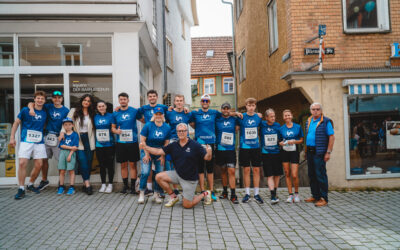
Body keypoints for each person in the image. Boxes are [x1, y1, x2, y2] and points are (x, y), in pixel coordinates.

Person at [142, 123, 213, 208]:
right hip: (178, 175)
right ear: (177, 132)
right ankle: (173, 197)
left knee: (187, 205)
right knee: (158, 177)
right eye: (179, 131)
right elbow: (158, 151)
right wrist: (145, 147)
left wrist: (209, 153)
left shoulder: (195, 145)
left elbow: (207, 158)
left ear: (187, 132)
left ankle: (205, 193)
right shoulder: (173, 145)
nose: (181, 133)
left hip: (189, 179)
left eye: (183, 131)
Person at [28, 91, 69, 191]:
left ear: (62, 99)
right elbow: (31, 103)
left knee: (60, 161)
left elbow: (67, 124)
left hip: (58, 138)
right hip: (46, 137)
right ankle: (44, 180)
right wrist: (31, 109)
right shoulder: (48, 107)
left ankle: (61, 182)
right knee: (44, 160)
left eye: (59, 97)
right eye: (55, 97)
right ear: (52, 99)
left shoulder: (66, 110)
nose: (57, 99)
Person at [10, 91, 47, 199]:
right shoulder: (25, 110)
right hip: (26, 140)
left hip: (39, 141)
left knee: (39, 164)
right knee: (22, 163)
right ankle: (21, 188)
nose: (40, 100)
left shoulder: (45, 111)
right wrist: (12, 137)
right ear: (34, 99)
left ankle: (30, 184)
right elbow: (16, 123)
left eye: (42, 99)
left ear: (44, 101)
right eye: (38, 98)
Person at [189, 94, 222, 203]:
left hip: (211, 143)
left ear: (209, 102)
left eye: (207, 101)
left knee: (210, 168)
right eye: (203, 101)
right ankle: (203, 191)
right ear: (200, 102)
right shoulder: (195, 112)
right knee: (200, 168)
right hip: (199, 144)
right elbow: (187, 117)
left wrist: (236, 113)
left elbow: (226, 114)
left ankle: (211, 191)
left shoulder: (214, 112)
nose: (205, 103)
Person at [62, 94, 96, 195]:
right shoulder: (74, 111)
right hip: (78, 139)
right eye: (85, 100)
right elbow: (66, 123)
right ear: (81, 101)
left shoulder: (93, 112)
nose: (86, 102)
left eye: (89, 101)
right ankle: (87, 184)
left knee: (89, 162)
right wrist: (62, 132)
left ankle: (85, 184)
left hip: (89, 139)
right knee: (82, 161)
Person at [304, 102, 335, 207]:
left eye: (317, 109)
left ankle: (323, 198)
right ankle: (315, 196)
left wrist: (328, 152)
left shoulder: (326, 122)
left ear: (321, 110)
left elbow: (331, 137)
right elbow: (308, 136)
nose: (315, 111)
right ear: (310, 111)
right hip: (310, 151)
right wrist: (306, 151)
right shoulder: (308, 121)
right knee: (312, 175)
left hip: (320, 152)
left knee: (320, 175)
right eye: (313, 109)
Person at [138, 107, 171, 204]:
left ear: (163, 115)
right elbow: (142, 140)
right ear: (154, 115)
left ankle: (156, 194)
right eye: (157, 114)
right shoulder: (148, 125)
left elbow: (166, 143)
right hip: (147, 150)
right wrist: (147, 154)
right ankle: (142, 193)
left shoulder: (167, 127)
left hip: (159, 152)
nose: (158, 116)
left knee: (159, 174)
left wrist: (162, 156)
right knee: (145, 172)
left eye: (160, 114)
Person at [112, 92, 141, 195]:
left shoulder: (134, 111)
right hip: (121, 143)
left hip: (132, 142)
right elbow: (113, 128)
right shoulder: (115, 113)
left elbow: (144, 120)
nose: (123, 101)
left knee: (133, 165)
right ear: (119, 101)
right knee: (123, 165)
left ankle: (133, 187)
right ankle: (125, 186)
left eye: (124, 99)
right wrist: (116, 131)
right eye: (121, 99)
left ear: (128, 100)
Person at [238, 97, 263, 204]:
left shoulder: (258, 117)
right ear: (246, 106)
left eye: (253, 105)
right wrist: (235, 112)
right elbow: (228, 114)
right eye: (249, 105)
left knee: (257, 170)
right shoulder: (241, 116)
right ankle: (247, 193)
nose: (251, 107)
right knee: (246, 170)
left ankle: (256, 194)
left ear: (255, 106)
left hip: (255, 147)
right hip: (245, 147)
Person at [165, 94, 192, 195]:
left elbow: (195, 120)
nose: (179, 102)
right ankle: (175, 188)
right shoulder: (169, 113)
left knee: (186, 163)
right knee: (171, 164)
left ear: (184, 102)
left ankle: (186, 186)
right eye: (177, 101)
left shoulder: (187, 113)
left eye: (181, 100)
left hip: (185, 141)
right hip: (173, 141)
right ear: (174, 102)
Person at [215, 102, 239, 204]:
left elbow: (237, 129)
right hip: (220, 149)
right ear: (221, 110)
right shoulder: (217, 119)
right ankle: (225, 192)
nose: (225, 110)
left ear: (230, 110)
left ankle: (233, 194)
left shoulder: (234, 119)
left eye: (227, 109)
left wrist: (235, 114)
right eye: (224, 108)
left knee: (231, 171)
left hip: (230, 149)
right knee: (223, 171)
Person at [279, 109, 304, 203]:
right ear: (283, 117)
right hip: (285, 152)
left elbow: (301, 140)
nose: (287, 117)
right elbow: (280, 140)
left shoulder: (297, 127)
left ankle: (296, 193)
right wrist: (281, 143)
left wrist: (294, 141)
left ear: (292, 116)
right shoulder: (281, 128)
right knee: (287, 172)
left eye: (289, 115)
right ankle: (290, 195)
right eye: (285, 116)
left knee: (294, 174)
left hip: (294, 151)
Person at [260, 108, 283, 204]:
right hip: (266, 154)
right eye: (271, 116)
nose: (273, 118)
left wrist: (281, 142)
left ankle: (275, 191)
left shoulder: (277, 125)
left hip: (276, 153)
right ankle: (272, 194)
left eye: (274, 116)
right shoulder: (262, 125)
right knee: (270, 175)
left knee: (277, 174)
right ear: (266, 118)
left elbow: (281, 138)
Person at [94, 100, 115, 193]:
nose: (101, 108)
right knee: (101, 165)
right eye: (99, 106)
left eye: (103, 106)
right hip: (99, 145)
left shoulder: (111, 116)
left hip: (109, 144)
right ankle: (103, 184)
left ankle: (110, 184)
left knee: (110, 165)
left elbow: (114, 127)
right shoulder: (95, 117)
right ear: (97, 108)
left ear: (106, 107)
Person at [57, 118, 79, 195]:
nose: (68, 126)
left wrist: (70, 154)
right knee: (62, 170)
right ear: (63, 126)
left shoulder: (75, 134)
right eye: (65, 125)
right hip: (63, 153)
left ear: (72, 125)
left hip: (71, 154)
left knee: (71, 170)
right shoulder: (63, 134)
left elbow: (75, 147)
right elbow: (61, 145)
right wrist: (70, 147)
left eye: (69, 124)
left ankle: (71, 187)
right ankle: (61, 186)